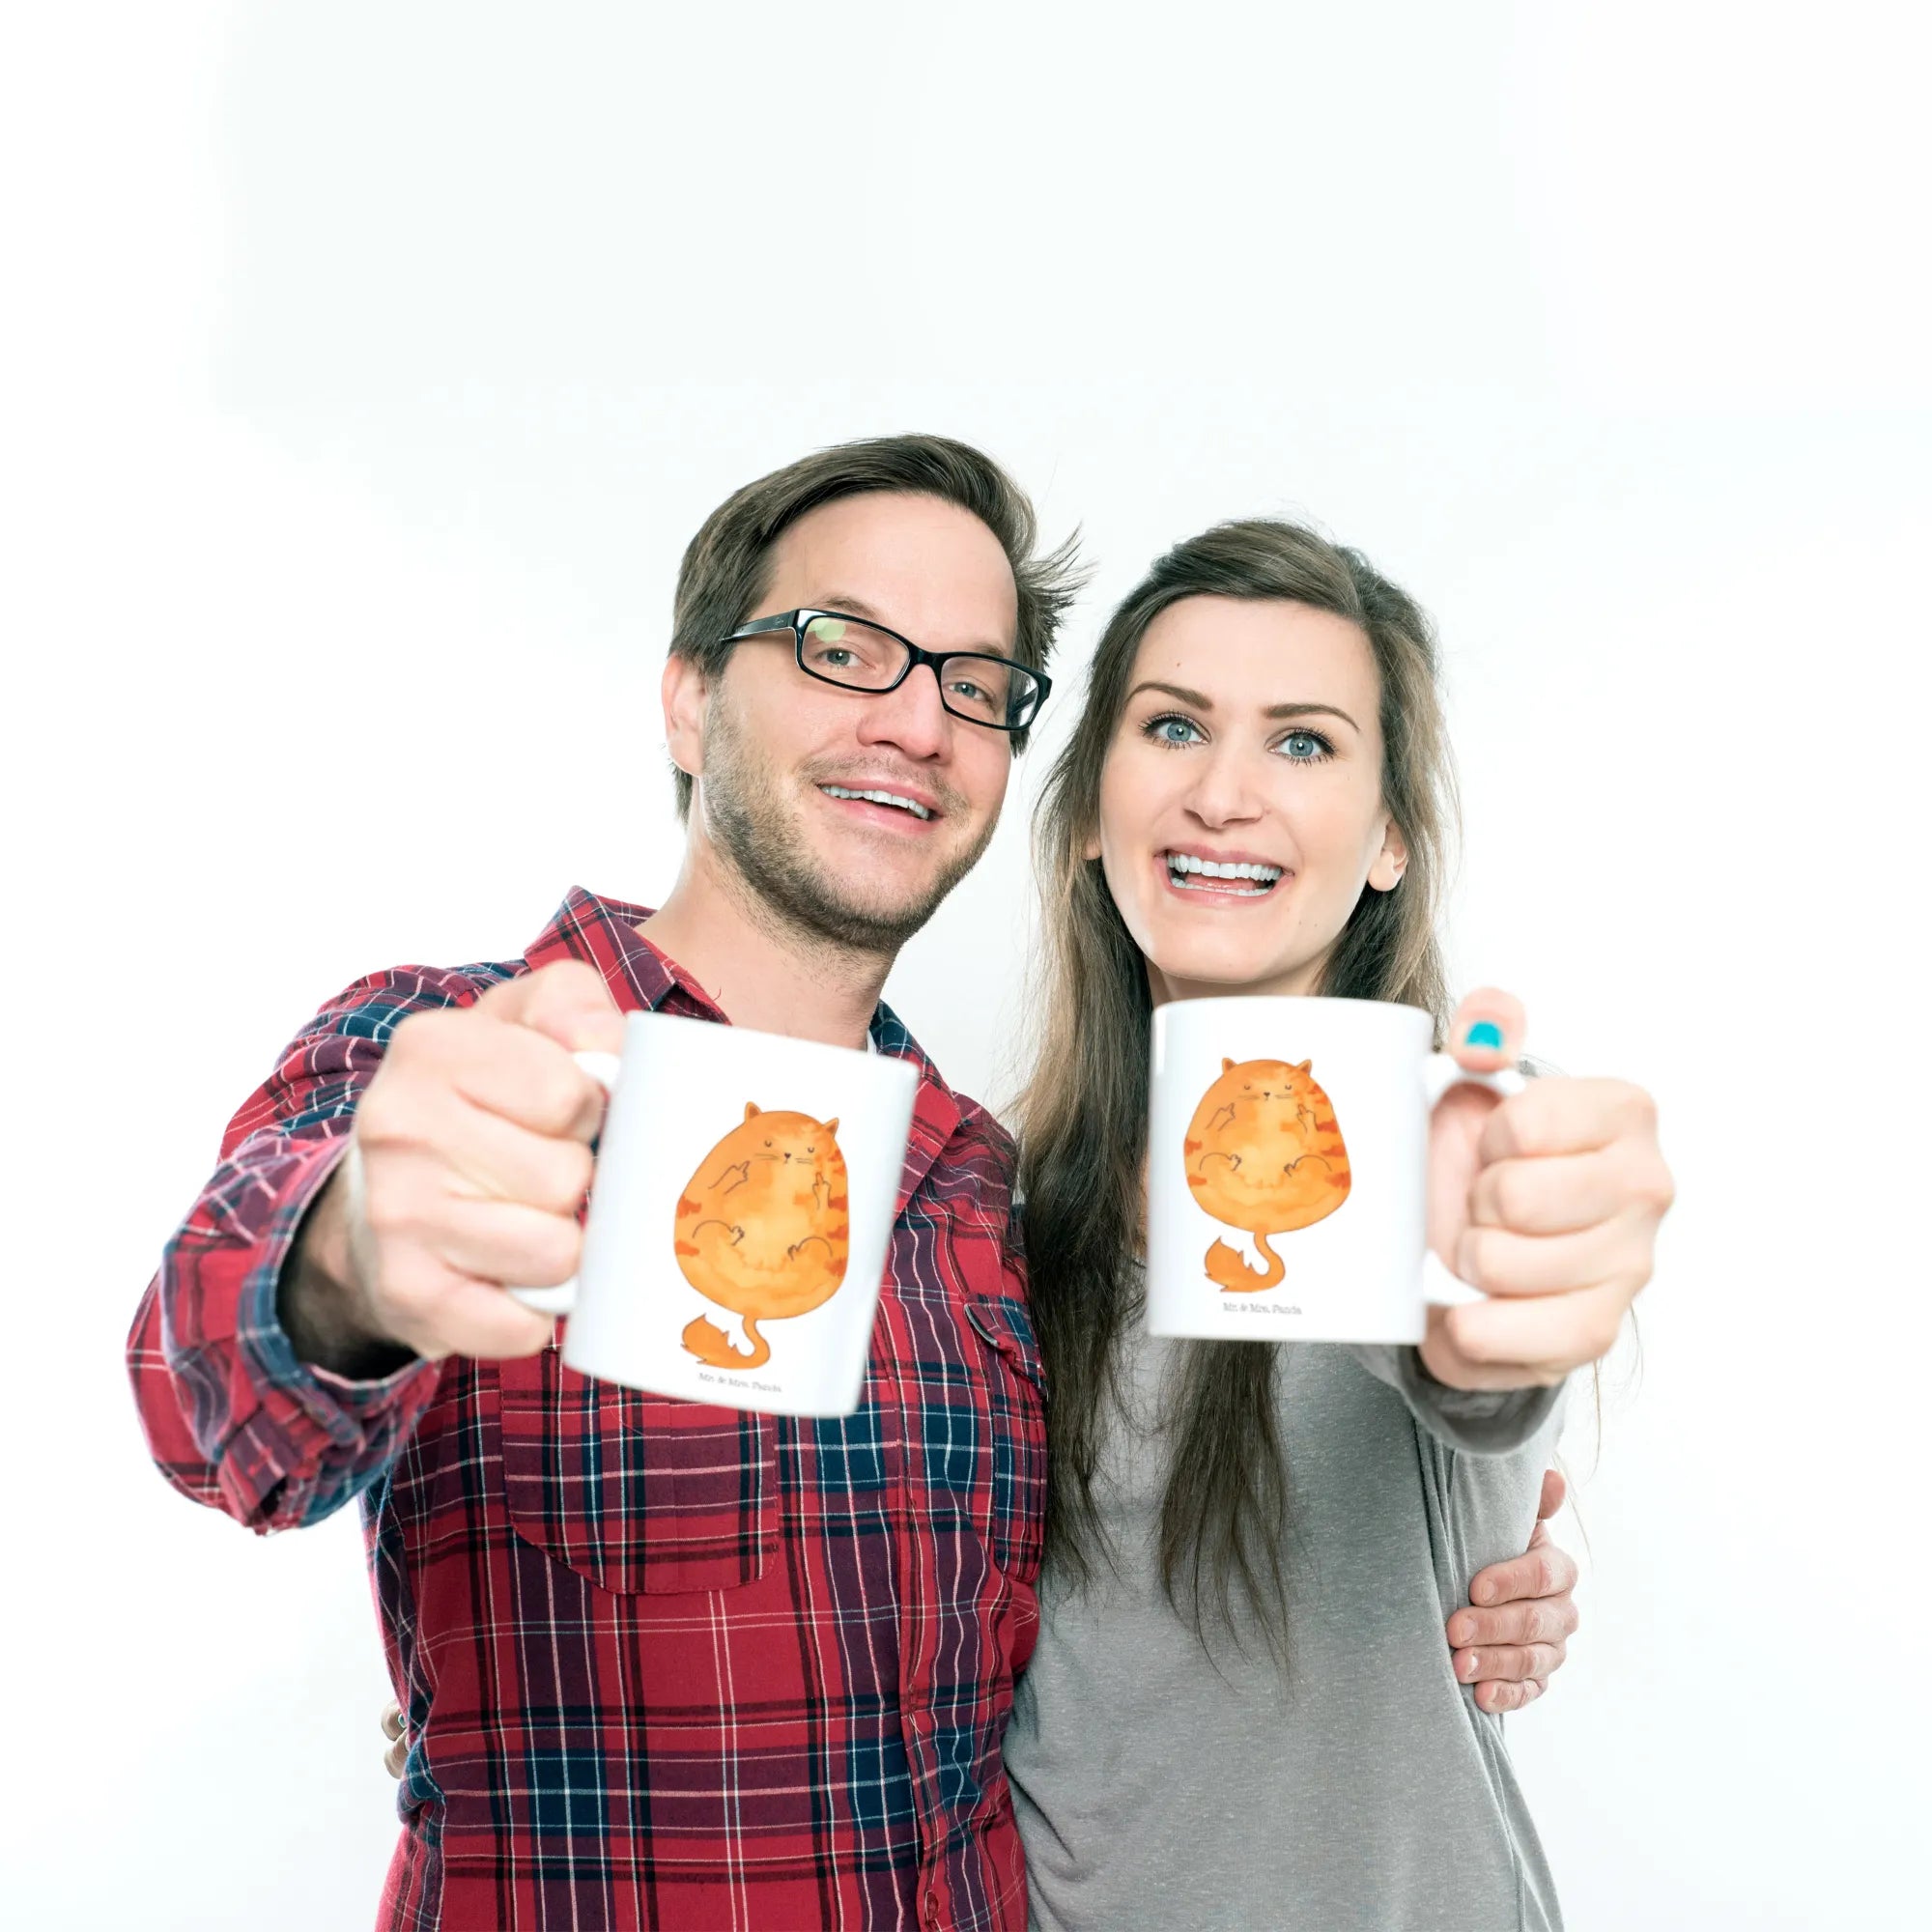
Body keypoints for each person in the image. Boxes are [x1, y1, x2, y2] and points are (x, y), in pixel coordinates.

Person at [128, 435, 1588, 1932]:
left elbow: (1404, 1406)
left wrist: (1487, 1513)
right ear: (690, 695)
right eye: (844, 648)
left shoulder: (981, 1193)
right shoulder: (455, 1059)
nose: (915, 721)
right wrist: (349, 1265)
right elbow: (206, 1392)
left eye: (974, 682)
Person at [1003, 520, 1674, 1930]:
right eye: (1173, 726)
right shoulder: (996, 1209)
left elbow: (1473, 1361)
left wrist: (1503, 1304)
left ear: (1388, 842)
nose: (1224, 794)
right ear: (1087, 814)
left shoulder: (1445, 1147)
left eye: (1302, 742)